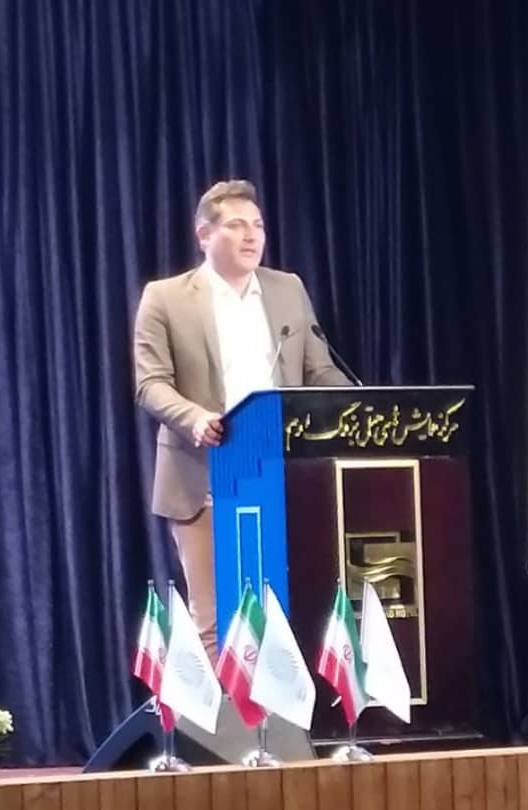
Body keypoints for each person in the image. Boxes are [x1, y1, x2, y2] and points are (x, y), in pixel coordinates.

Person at [133, 179, 349, 661]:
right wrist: (194, 417)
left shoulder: (288, 288)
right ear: (204, 235)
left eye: (258, 225)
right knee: (216, 622)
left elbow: (318, 370)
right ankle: (223, 714)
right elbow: (150, 383)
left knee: (294, 610)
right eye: (236, 225)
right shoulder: (165, 297)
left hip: (285, 470)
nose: (252, 236)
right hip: (204, 470)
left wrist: (355, 406)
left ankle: (292, 711)